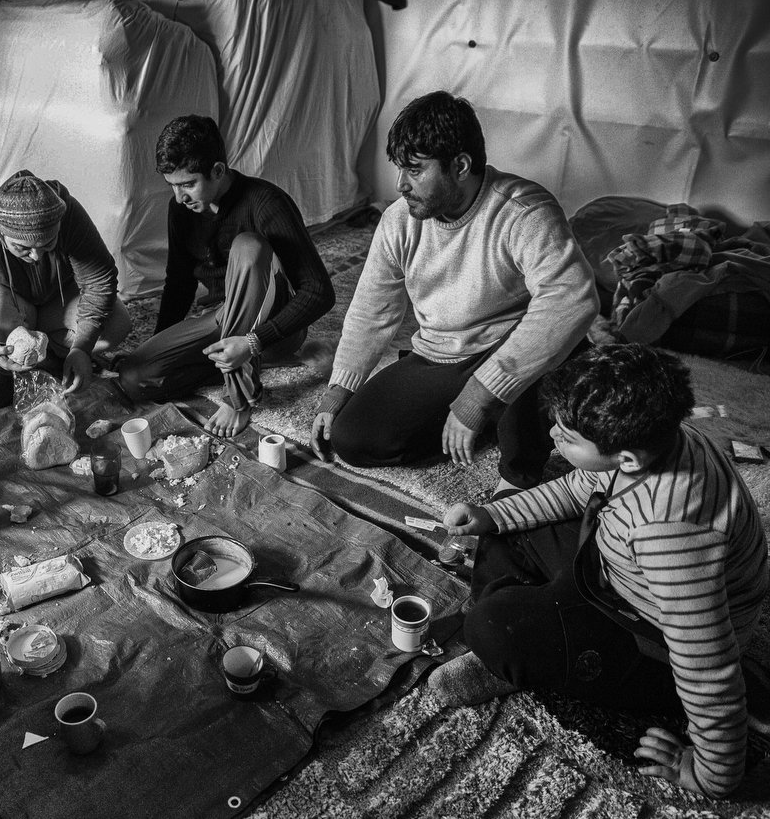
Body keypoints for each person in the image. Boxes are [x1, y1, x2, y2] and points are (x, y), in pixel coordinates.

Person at [428, 344, 768, 799]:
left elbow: (707, 665)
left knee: (493, 628)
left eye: (566, 437)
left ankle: (519, 657)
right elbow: (579, 486)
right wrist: (491, 517)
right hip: (618, 568)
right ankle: (534, 637)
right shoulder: (654, 441)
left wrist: (714, 775)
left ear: (627, 459)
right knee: (507, 515)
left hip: (651, 637)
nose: (551, 436)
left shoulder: (672, 536)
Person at [311, 91, 599, 491]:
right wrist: (339, 388)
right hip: (442, 354)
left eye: (415, 171)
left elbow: (572, 298)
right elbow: (370, 310)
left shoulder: (523, 211)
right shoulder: (399, 222)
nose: (400, 185)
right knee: (353, 438)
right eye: (399, 170)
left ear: (461, 165)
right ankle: (485, 420)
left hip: (511, 347)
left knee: (539, 393)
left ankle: (512, 466)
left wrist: (478, 397)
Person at [117, 115, 335, 438]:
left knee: (248, 247)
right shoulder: (181, 210)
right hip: (219, 319)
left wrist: (253, 341)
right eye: (173, 186)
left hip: (267, 322)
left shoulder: (266, 203)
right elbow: (179, 282)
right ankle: (234, 360)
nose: (179, 197)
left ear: (218, 171)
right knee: (133, 378)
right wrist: (159, 346)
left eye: (188, 184)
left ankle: (238, 396)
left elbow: (319, 291)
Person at [0, 169, 131, 409]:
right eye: (22, 248)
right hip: (10, 309)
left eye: (48, 243)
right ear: (0, 232)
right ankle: (16, 370)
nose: (37, 255)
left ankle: (57, 358)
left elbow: (99, 278)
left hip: (58, 302)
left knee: (116, 323)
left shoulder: (68, 213)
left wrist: (82, 347)